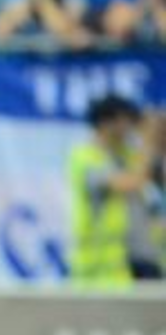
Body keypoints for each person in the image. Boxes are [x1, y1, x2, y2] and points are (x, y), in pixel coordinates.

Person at [68, 95, 161, 283]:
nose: (130, 128)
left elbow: (155, 175)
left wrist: (158, 137)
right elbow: (131, 182)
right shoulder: (85, 157)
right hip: (105, 268)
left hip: (142, 257)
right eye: (126, 121)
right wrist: (149, 141)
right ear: (107, 123)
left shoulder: (127, 155)